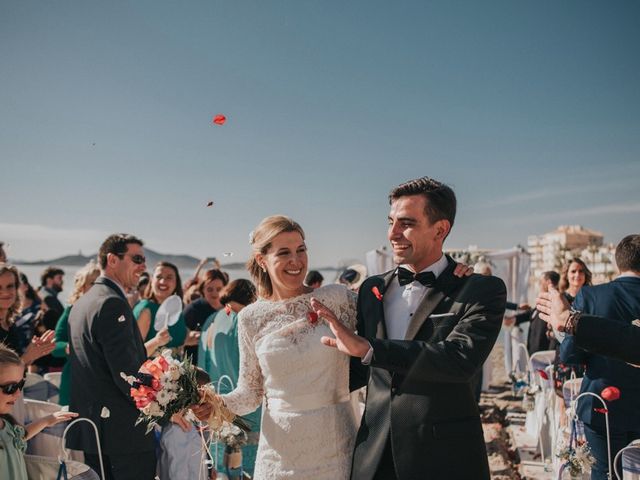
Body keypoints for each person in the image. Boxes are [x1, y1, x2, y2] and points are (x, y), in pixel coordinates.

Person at [313, 177, 507, 480]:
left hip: (443, 456)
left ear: (440, 229)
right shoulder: (370, 289)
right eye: (391, 222)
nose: (392, 234)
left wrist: (369, 348)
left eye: (406, 224)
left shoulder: (479, 289)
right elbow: (361, 371)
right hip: (373, 453)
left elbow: (458, 360)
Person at [193, 215, 360, 479]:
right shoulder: (251, 318)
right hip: (279, 453)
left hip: (336, 446)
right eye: (284, 253)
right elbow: (250, 394)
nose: (296, 261)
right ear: (262, 260)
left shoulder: (337, 299)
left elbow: (389, 318)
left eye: (301, 250)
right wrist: (215, 403)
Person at [67, 234, 156, 479]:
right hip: (123, 436)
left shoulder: (83, 303)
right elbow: (127, 375)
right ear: (112, 260)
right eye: (136, 258)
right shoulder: (111, 303)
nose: (143, 266)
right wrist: (166, 408)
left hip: (96, 432)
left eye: (144, 260)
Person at [558, 234, 640, 480]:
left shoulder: (591, 296)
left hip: (603, 404)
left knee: (605, 473)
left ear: (618, 262)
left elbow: (570, 354)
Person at [199, 278, 261, 476]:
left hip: (216, 407)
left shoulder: (211, 320)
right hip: (247, 410)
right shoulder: (246, 320)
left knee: (222, 469)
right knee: (249, 470)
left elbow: (202, 368)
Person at [0, 343, 78, 480]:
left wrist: (48, 420)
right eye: (10, 387)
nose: (18, 393)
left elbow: (20, 437)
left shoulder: (6, 425)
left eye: (20, 385)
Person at [537, 287, 640, 365]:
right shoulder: (589, 295)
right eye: (573, 272)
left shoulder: (591, 295)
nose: (577, 275)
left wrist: (571, 321)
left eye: (580, 271)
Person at [51, 260, 101, 406]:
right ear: (82, 286)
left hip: (104, 382)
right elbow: (55, 345)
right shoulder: (71, 311)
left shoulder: (113, 312)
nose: (97, 288)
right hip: (75, 380)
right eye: (93, 283)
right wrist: (70, 347)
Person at [0, 264, 56, 367]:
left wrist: (35, 352)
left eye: (10, 286)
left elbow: (18, 364)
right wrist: (27, 357)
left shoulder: (10, 323)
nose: (5, 292)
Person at [133, 261, 190, 357]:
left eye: (169, 277)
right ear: (152, 281)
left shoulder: (177, 308)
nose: (163, 281)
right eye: (159, 277)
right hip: (151, 370)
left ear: (176, 282)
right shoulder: (146, 310)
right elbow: (134, 353)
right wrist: (156, 342)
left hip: (176, 369)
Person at [183, 269, 228, 363]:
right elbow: (178, 338)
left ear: (225, 288)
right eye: (209, 289)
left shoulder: (230, 309)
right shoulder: (193, 309)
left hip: (222, 364)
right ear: (202, 290)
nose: (215, 293)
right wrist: (187, 338)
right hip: (196, 366)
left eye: (219, 289)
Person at [13, 273, 41, 356]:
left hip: (34, 355)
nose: (13, 289)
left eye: (17, 285)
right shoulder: (7, 309)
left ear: (26, 287)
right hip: (13, 355)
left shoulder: (38, 307)